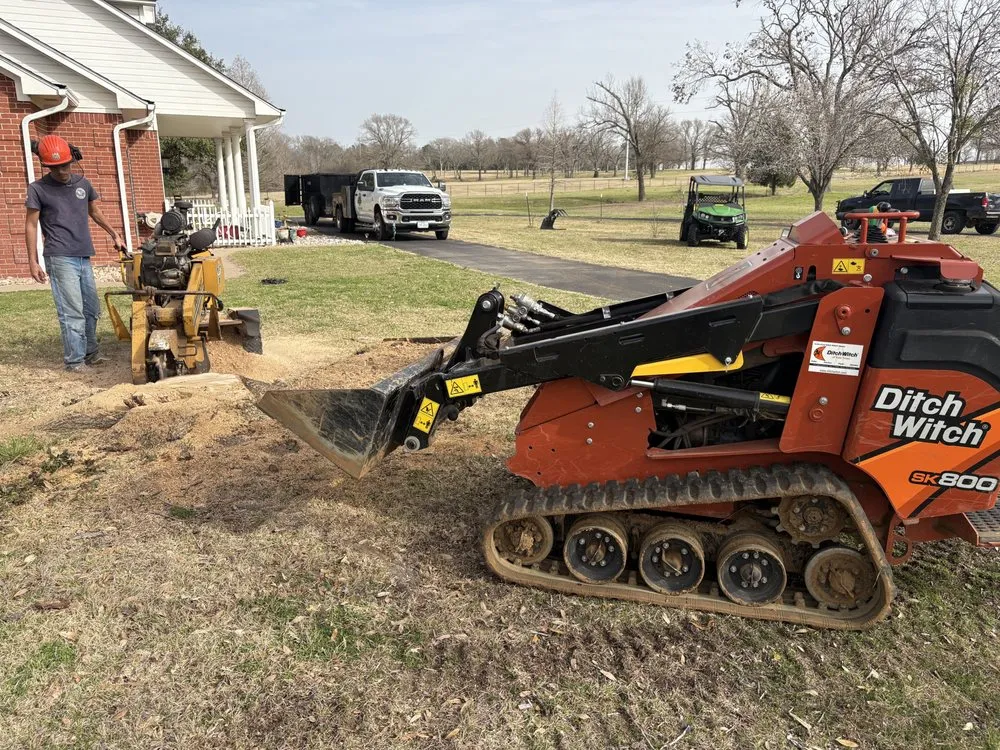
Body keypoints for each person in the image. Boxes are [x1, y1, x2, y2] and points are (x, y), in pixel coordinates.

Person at [25, 134, 124, 372]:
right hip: (59, 256)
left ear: (73, 159)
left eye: (65, 165)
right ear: (46, 166)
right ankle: (75, 361)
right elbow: (31, 224)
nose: (62, 171)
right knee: (72, 312)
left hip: (83, 254)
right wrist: (32, 260)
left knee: (91, 309)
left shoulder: (83, 184)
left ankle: (91, 354)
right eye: (55, 167)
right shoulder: (38, 189)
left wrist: (114, 233)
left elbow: (95, 212)